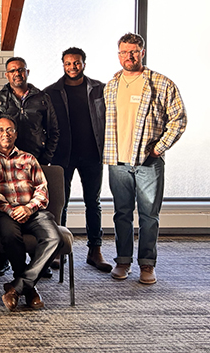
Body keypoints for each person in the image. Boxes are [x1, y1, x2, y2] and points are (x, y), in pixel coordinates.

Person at [104, 33, 187, 284]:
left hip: (149, 162)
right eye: (124, 52)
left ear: (142, 52)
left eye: (133, 51)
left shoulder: (162, 83)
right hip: (118, 161)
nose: (128, 56)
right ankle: (123, 261)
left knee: (149, 215)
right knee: (122, 213)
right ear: (118, 55)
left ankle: (147, 264)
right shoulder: (111, 85)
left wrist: (159, 148)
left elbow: (179, 120)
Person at [0, 116, 63, 312]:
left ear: (16, 134)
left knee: (55, 238)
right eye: (0, 130)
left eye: (10, 130)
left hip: (33, 211)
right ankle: (29, 288)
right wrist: (11, 210)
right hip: (3, 213)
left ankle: (17, 287)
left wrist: (29, 208)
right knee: (9, 236)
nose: (5, 134)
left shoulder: (29, 158)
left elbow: (42, 188)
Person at [43, 47, 110, 272]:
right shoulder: (51, 92)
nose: (73, 67)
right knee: (60, 203)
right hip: (63, 155)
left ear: (84, 64)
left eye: (77, 63)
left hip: (92, 154)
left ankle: (95, 250)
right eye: (68, 63)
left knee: (93, 202)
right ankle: (58, 249)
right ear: (63, 65)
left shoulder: (99, 89)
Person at [0, 57, 59, 165]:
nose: (17, 73)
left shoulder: (43, 98)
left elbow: (53, 131)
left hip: (36, 158)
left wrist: (46, 158)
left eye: (20, 70)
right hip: (4, 161)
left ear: (27, 72)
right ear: (7, 75)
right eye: (12, 71)